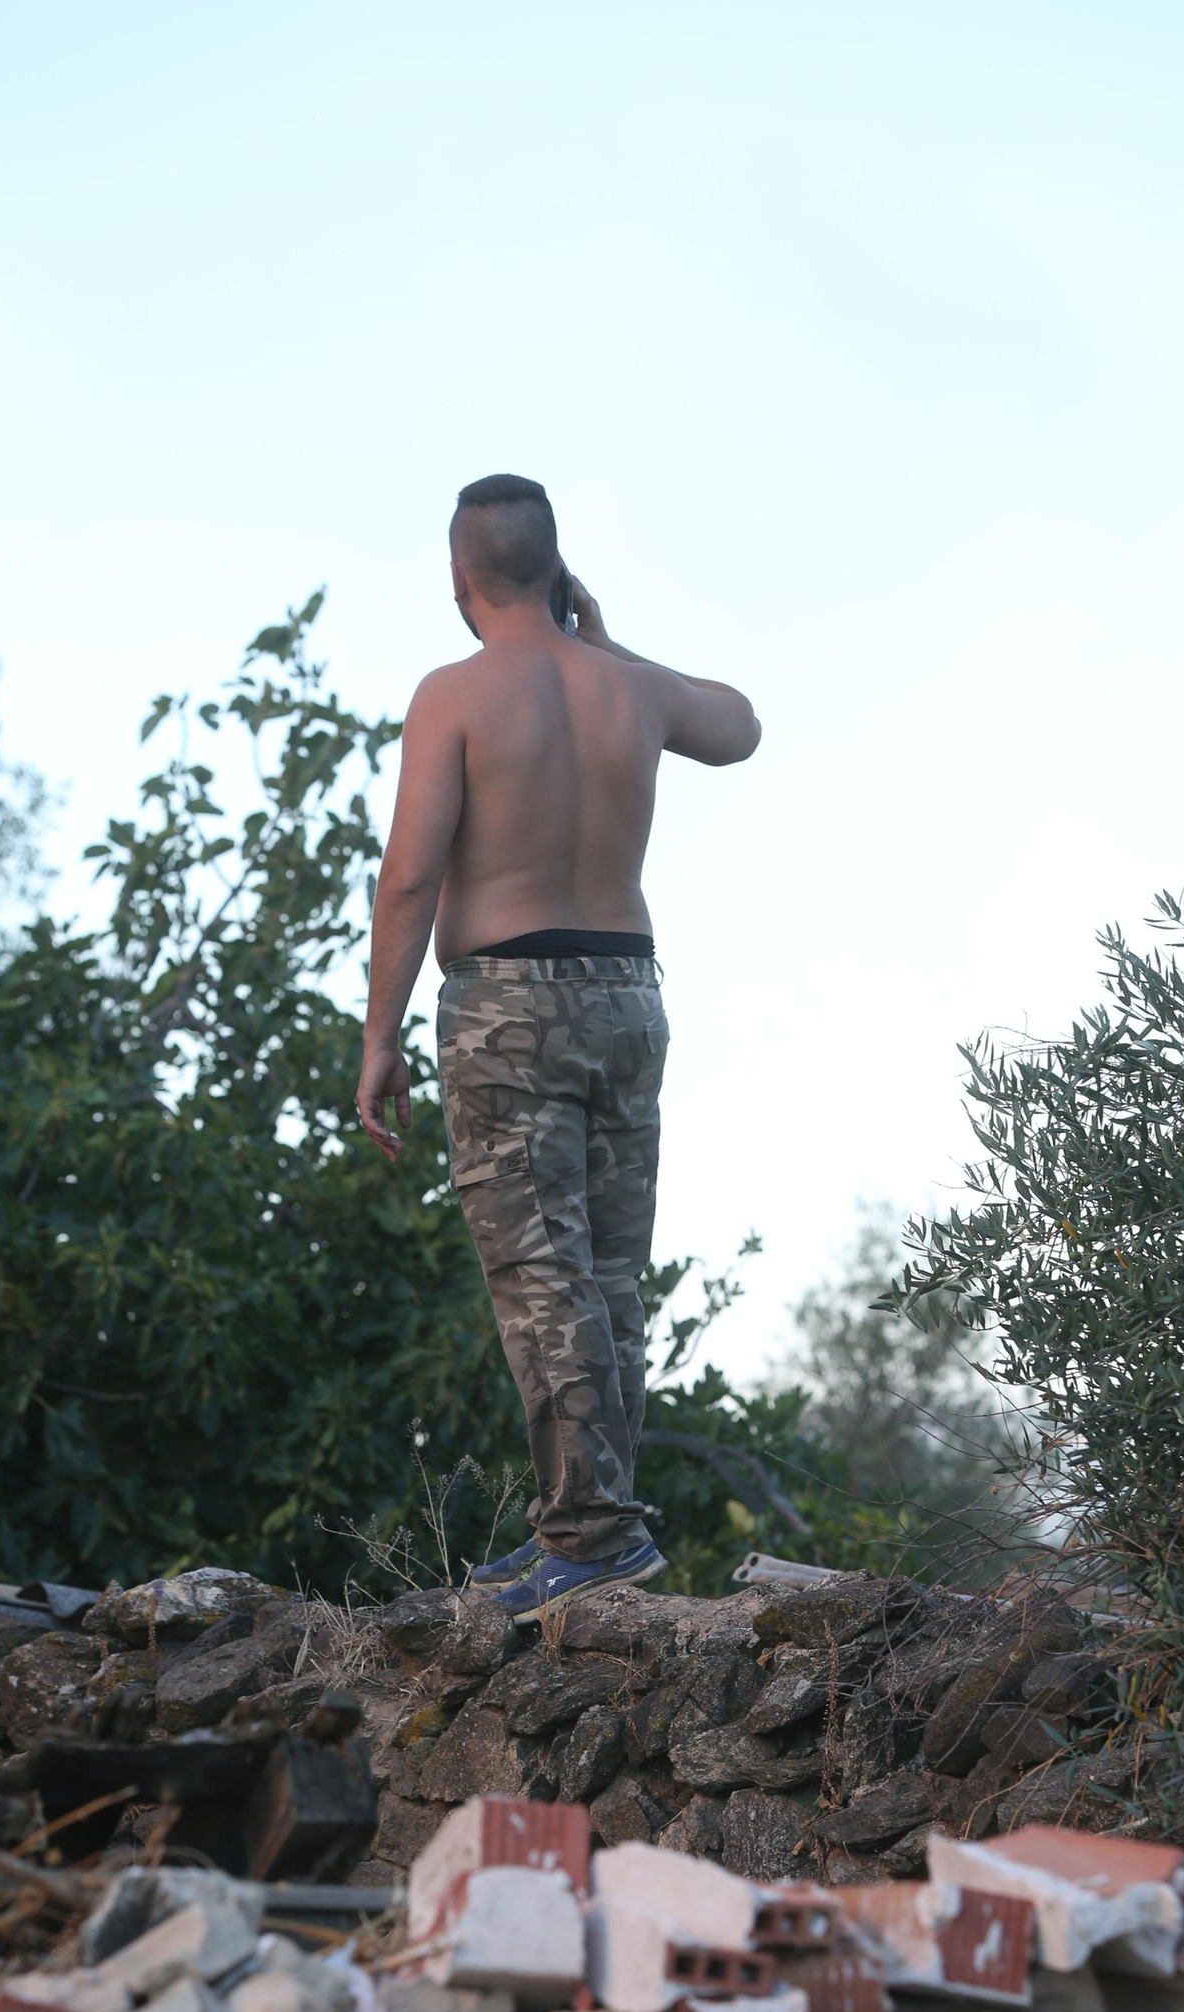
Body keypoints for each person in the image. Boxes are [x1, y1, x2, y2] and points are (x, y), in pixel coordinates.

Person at [356, 473, 761, 1618]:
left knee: (543, 1278)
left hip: (508, 1003)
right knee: (608, 1278)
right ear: (557, 569)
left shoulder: (453, 695)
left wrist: (379, 1031)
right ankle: (594, 1528)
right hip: (629, 996)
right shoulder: (626, 687)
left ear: (458, 577)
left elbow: (409, 877)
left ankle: (588, 1537)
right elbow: (738, 726)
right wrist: (609, 642)